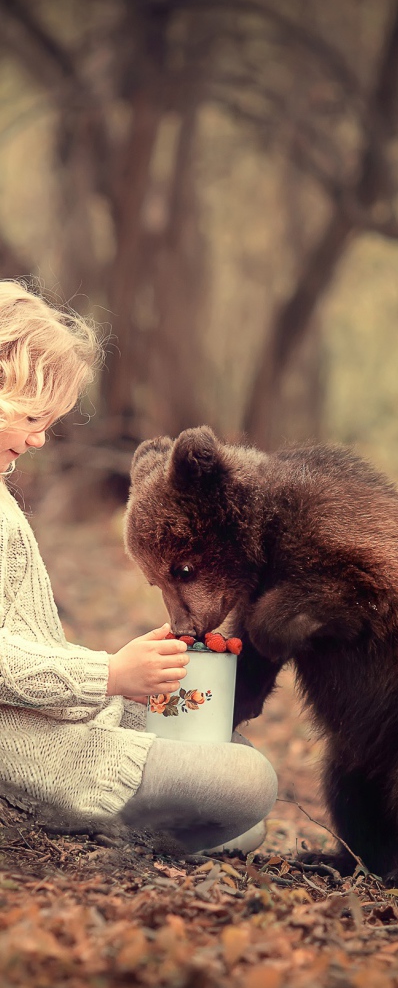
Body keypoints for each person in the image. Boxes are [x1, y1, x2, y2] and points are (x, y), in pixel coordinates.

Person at [0, 279, 277, 855]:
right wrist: (105, 675)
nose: (42, 438)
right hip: (24, 753)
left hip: (46, 723)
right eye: (33, 416)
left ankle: (166, 822)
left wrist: (131, 673)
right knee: (249, 783)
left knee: (234, 765)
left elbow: (22, 646)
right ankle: (109, 829)